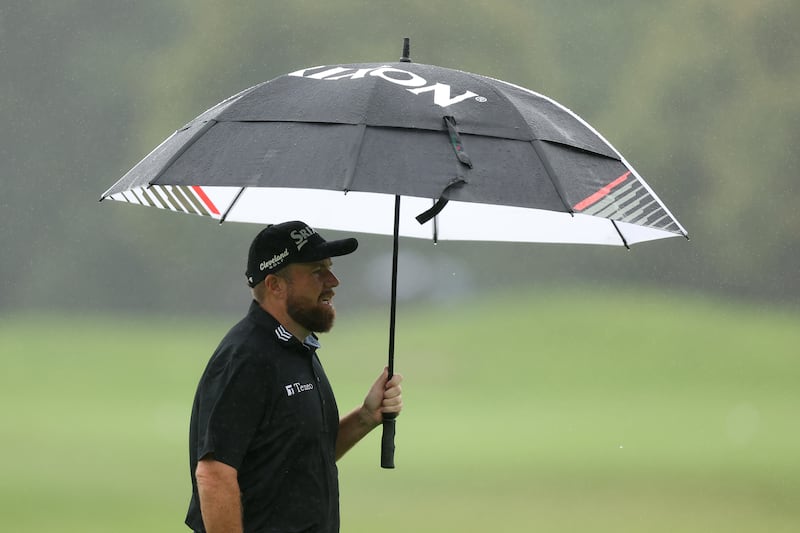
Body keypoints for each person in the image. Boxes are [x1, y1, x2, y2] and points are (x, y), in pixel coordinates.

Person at [185, 221, 403, 533]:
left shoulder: (296, 349)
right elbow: (213, 473)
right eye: (317, 271)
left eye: (329, 267)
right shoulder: (247, 358)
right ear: (274, 285)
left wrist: (366, 417)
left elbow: (300, 454)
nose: (333, 281)